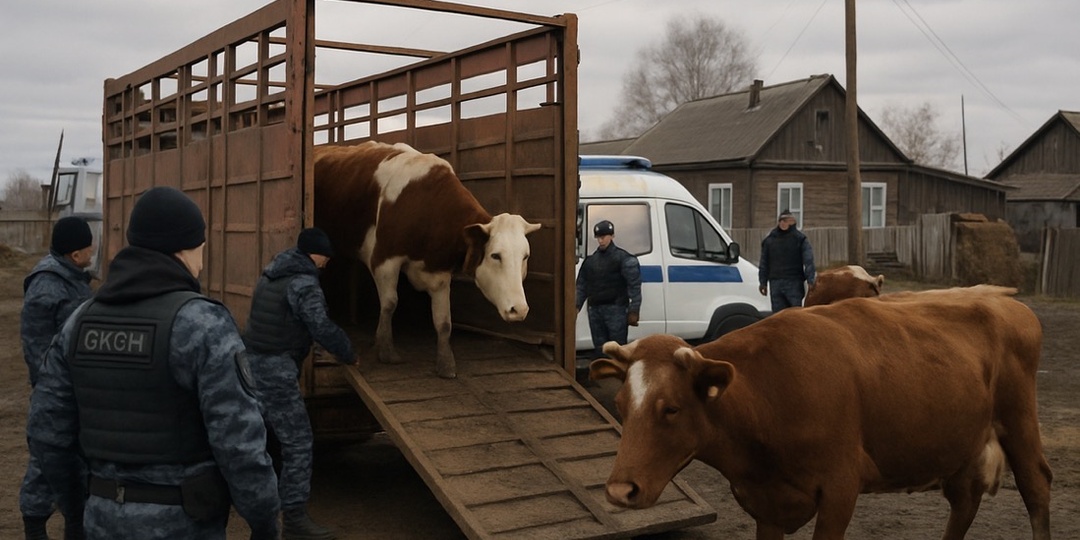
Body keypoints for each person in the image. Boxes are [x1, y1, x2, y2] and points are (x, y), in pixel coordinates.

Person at [26, 186, 281, 540]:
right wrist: (265, 521)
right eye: (201, 249)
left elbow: (47, 432)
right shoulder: (201, 323)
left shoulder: (80, 322)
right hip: (184, 524)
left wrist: (76, 513)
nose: (203, 262)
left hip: (99, 518)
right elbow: (239, 443)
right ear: (184, 250)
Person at [243, 227, 356, 540]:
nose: (328, 262)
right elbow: (321, 326)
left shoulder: (272, 272)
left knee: (258, 441)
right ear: (314, 254)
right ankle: (293, 518)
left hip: (251, 363)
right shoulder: (304, 283)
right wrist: (348, 353)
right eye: (325, 257)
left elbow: (279, 319)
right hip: (276, 370)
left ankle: (256, 514)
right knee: (298, 442)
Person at [19, 216, 95, 540]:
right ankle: (35, 528)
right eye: (89, 247)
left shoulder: (71, 277)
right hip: (56, 394)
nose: (94, 252)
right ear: (75, 254)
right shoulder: (47, 286)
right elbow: (36, 348)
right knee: (47, 463)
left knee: (68, 470)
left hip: (70, 390)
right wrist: (54, 391)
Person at [575, 219, 642, 359]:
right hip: (595, 311)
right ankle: (604, 379)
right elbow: (581, 286)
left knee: (617, 351)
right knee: (600, 351)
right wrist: (575, 307)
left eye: (604, 237)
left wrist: (634, 310)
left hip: (616, 310)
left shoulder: (623, 258)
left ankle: (618, 378)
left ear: (612, 236)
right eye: (598, 237)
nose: (601, 240)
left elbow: (634, 286)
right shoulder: (591, 261)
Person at [758, 209, 816, 312]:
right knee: (779, 317)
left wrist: (810, 279)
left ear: (793, 222)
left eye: (786, 220)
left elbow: (808, 260)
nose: (783, 223)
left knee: (795, 314)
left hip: (793, 282)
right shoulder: (770, 240)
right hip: (776, 283)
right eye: (781, 220)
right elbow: (764, 263)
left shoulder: (800, 239)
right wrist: (763, 282)